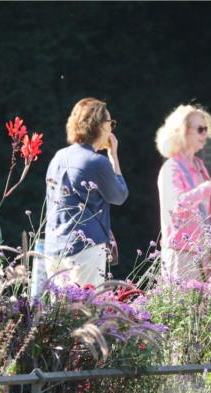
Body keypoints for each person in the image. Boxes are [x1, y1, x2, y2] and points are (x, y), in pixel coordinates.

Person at [155, 103, 211, 282]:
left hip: (203, 252)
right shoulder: (171, 167)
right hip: (181, 253)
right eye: (200, 129)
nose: (205, 134)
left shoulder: (198, 166)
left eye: (206, 129)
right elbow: (178, 205)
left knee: (203, 309)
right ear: (181, 131)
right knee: (182, 309)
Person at [44, 97, 128, 288]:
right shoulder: (97, 161)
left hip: (53, 247)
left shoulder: (59, 156)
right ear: (99, 126)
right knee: (86, 310)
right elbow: (119, 195)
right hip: (85, 249)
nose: (111, 129)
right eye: (110, 123)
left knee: (59, 313)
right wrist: (113, 156)